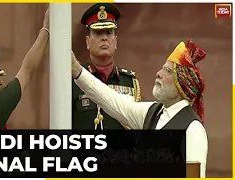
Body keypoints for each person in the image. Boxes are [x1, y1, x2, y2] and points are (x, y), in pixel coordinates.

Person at [71, 39, 208, 177]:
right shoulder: (151, 113)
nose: (159, 73)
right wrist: (78, 71)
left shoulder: (193, 129)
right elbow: (112, 100)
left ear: (182, 84)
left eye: (167, 71)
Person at [72, 3, 141, 131]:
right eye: (98, 33)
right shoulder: (74, 81)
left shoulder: (129, 82)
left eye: (109, 33)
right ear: (88, 42)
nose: (104, 38)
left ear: (115, 41)